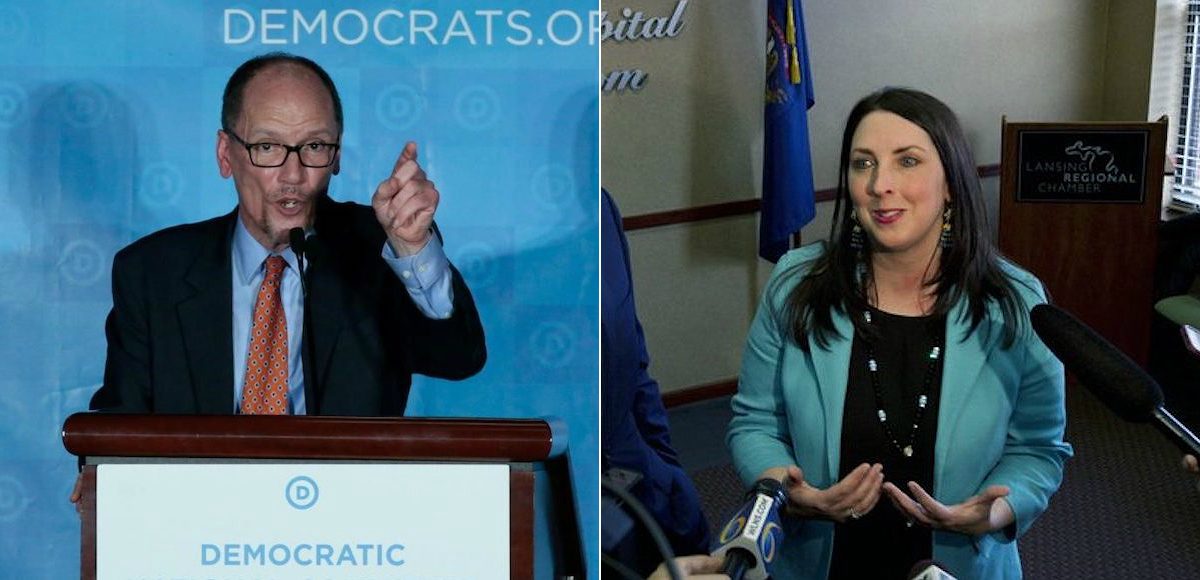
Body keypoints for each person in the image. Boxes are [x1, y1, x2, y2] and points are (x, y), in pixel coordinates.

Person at [727, 88, 1072, 579]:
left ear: (951, 181)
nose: (879, 184)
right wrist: (789, 491)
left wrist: (993, 513)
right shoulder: (795, 284)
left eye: (907, 161)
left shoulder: (1015, 302)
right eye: (862, 164)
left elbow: (1039, 448)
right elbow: (755, 422)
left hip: (958, 564)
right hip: (816, 562)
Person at [88, 52, 485, 415]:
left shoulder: (381, 249)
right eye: (267, 146)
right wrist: (100, 474)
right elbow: (119, 424)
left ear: (338, 155)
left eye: (314, 146)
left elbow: (458, 358)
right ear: (226, 155)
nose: (292, 175)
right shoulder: (152, 272)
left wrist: (412, 247)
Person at [602, 189, 712, 575]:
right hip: (561, 499)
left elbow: (633, 360)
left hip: (641, 472)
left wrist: (668, 467)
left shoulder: (600, 206)